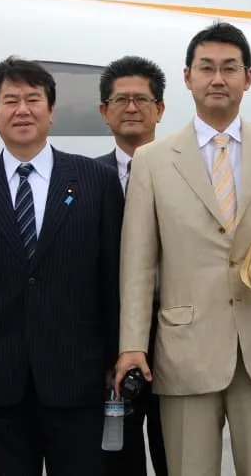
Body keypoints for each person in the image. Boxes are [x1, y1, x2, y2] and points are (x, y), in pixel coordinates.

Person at [113, 21, 251, 476]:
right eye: (206, 67)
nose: (217, 78)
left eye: (230, 68)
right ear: (187, 76)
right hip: (185, 349)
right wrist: (132, 345)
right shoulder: (152, 160)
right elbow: (136, 263)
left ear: (247, 78)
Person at [0, 57, 124, 475]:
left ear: (51, 110)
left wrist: (114, 353)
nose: (22, 109)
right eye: (10, 101)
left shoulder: (95, 181)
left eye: (33, 99)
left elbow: (112, 276)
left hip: (78, 372)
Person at [95, 55, 168, 476]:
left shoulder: (187, 175)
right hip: (108, 348)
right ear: (104, 111)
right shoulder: (85, 179)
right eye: (120, 99)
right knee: (115, 462)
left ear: (160, 109)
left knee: (175, 459)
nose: (132, 108)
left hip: (175, 345)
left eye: (143, 99)